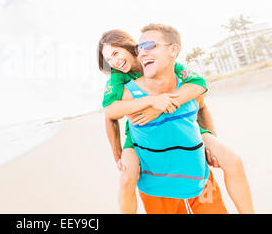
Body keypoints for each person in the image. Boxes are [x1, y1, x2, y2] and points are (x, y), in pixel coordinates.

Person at [97, 27, 254, 214]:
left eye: (116, 53)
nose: (114, 61)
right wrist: (117, 152)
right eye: (109, 60)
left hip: (183, 121)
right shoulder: (118, 78)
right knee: (126, 178)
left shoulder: (161, 61)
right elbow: (110, 112)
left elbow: (199, 85)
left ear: (129, 46)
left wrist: (209, 133)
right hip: (141, 129)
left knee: (232, 160)